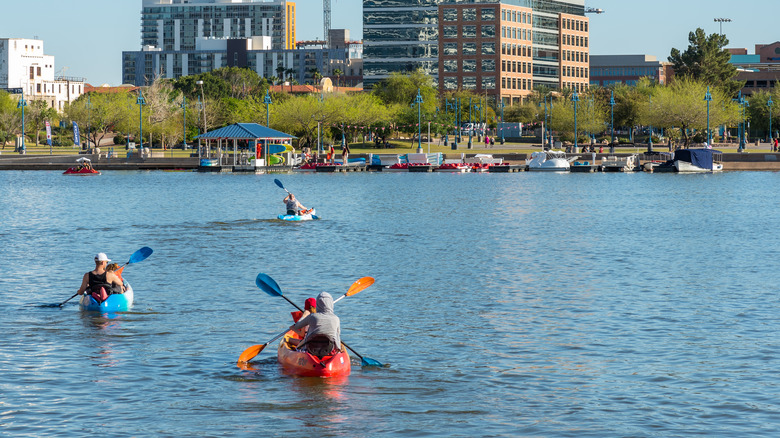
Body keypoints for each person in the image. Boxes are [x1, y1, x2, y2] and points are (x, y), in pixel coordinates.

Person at [289, 292, 341, 358]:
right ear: (331, 304)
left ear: (318, 304)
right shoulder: (336, 319)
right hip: (329, 350)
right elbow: (337, 336)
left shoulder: (312, 316)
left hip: (311, 350)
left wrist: (304, 315)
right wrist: (339, 349)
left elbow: (297, 326)